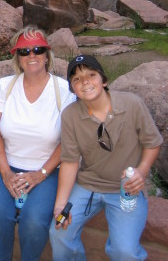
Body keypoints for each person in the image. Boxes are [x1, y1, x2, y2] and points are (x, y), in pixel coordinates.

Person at [50, 54, 163, 261]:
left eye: (91, 75)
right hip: (87, 186)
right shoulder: (70, 115)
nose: (85, 82)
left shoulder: (132, 104)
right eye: (76, 79)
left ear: (104, 80)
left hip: (126, 189)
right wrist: (60, 204)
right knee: (59, 233)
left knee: (125, 252)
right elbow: (70, 161)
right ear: (73, 89)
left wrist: (142, 171)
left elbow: (153, 143)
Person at [0, 27, 76, 261]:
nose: (31, 56)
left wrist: (41, 174)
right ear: (17, 57)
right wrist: (5, 172)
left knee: (34, 222)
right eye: (24, 51)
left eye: (38, 50)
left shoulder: (64, 90)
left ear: (47, 55)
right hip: (8, 164)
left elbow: (69, 140)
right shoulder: (5, 86)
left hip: (47, 169)